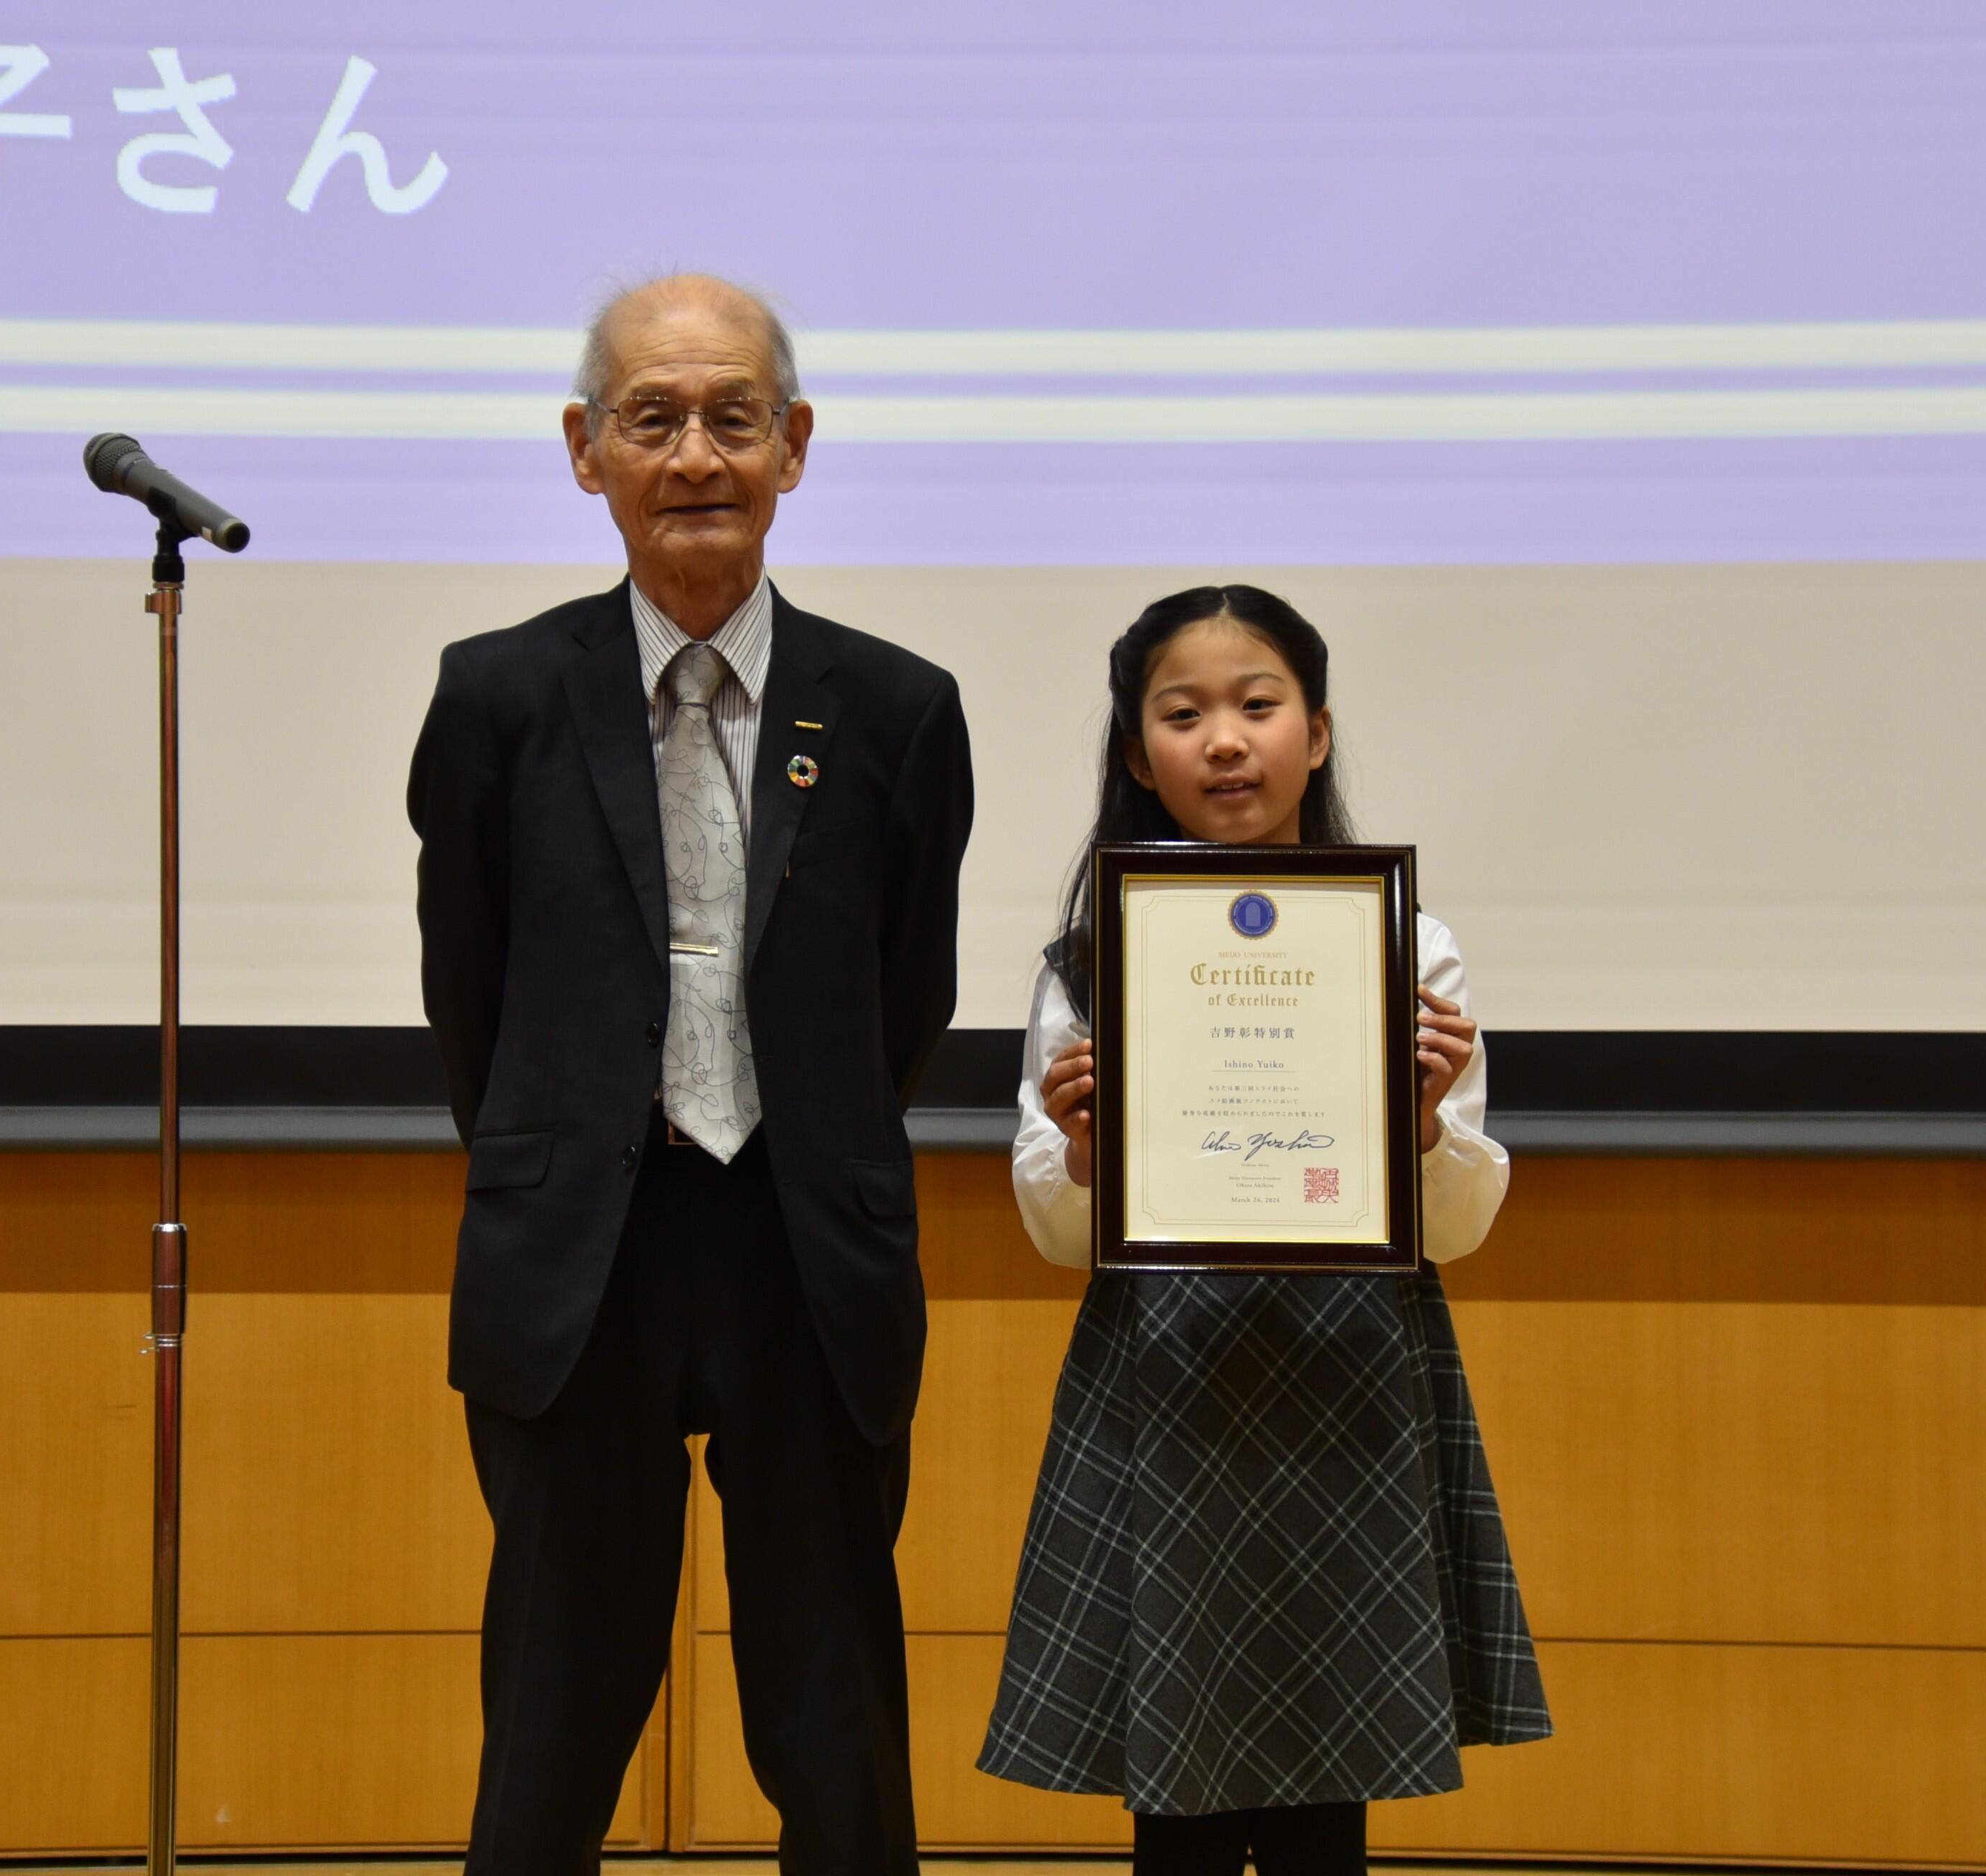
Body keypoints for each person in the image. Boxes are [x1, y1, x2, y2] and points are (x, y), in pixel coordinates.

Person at [407, 275, 974, 1875]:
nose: (698, 455)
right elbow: (476, 988)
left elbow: (901, 995)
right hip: (583, 1253)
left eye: (735, 418)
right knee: (555, 1712)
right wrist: (580, 1146)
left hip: (807, 1245)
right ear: (586, 452)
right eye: (653, 419)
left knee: (833, 1718)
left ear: (796, 447)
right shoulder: (498, 695)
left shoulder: (898, 707)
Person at [976, 585, 1550, 1875]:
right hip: (1165, 1384)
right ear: (1139, 755)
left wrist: (1415, 1128)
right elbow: (1057, 1234)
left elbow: (1454, 1230)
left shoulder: (1411, 947)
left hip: (1350, 1384)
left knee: (1325, 1793)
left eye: (1258, 706)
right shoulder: (1084, 965)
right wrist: (1081, 1152)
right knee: (1171, 1796)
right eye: (1184, 715)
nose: (1225, 741)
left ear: (1321, 734)